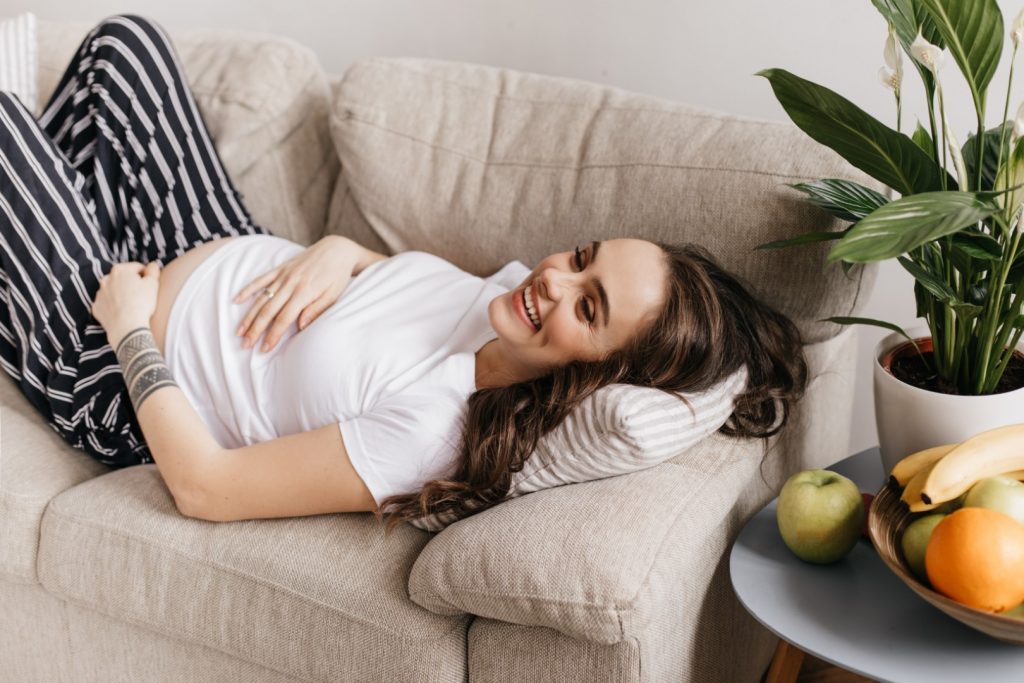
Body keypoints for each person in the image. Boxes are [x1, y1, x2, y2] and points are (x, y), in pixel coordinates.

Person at [1, 14, 807, 536]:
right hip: (222, 245)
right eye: (585, 255)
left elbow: (207, 487)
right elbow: (396, 296)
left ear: (601, 377)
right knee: (124, 48)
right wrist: (342, 252)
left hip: (111, 368)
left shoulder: (436, 430)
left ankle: (41, 266)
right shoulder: (511, 301)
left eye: (588, 307)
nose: (555, 279)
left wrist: (131, 327)